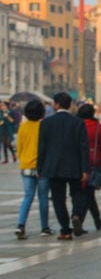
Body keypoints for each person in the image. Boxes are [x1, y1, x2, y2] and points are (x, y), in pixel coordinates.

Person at [38, 92, 89, 240]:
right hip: (75, 166)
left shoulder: (46, 123)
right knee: (78, 194)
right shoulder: (78, 122)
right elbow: (84, 148)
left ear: (57, 104)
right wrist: (85, 169)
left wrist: (41, 168)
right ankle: (77, 214)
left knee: (58, 199)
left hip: (54, 167)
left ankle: (65, 230)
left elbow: (42, 148)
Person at [14, 99, 51, 239]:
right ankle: (44, 228)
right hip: (42, 167)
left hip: (26, 166)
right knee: (43, 198)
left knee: (28, 196)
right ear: (42, 113)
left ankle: (21, 225)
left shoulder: (23, 127)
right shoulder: (44, 126)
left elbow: (19, 147)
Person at [78, 104, 101, 233]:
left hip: (78, 161)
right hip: (94, 161)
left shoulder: (77, 126)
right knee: (89, 192)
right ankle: (79, 218)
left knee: (86, 192)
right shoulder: (99, 127)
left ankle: (96, 220)